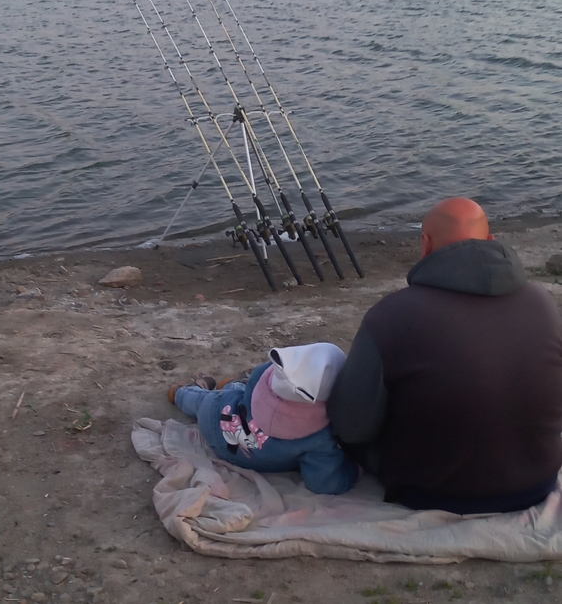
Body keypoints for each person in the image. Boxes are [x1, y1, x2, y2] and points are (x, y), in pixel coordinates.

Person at [327, 197, 562, 514]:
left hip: (432, 491)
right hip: (537, 481)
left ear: (425, 244)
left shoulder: (391, 315)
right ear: (490, 241)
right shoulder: (542, 302)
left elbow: (351, 426)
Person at [168, 343, 360, 495]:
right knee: (236, 393)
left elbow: (251, 390)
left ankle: (181, 392)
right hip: (250, 458)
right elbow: (324, 483)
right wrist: (353, 469)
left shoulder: (264, 373)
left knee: (207, 400)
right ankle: (232, 384)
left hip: (216, 420)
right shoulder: (319, 437)